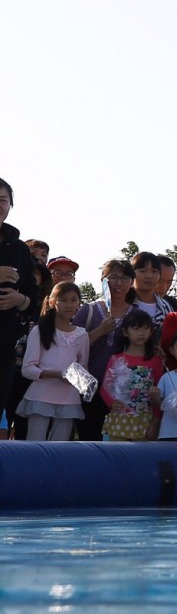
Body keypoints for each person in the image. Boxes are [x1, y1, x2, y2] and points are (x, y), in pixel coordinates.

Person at [73, 258, 137, 440]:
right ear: (103, 280)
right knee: (88, 436)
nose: (118, 283)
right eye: (113, 277)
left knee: (118, 439)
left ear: (132, 282)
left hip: (121, 387)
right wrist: (99, 331)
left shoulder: (136, 313)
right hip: (86, 384)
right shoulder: (88, 310)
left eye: (125, 278)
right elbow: (71, 346)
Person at [18, 282, 88, 441]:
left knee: (60, 447)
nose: (69, 305)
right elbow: (27, 369)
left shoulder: (82, 335)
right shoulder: (39, 330)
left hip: (69, 399)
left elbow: (83, 369)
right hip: (40, 397)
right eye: (63, 300)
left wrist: (78, 380)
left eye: (73, 300)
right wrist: (56, 375)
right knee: (35, 445)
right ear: (52, 302)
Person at [0, 178, 43, 424]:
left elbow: (35, 301)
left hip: (3, 348)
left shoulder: (18, 249)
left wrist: (21, 300)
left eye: (3, 200)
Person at [100, 308, 163, 441]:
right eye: (135, 328)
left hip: (145, 420)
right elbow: (104, 388)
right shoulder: (116, 359)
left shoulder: (155, 361)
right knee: (118, 457)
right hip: (120, 419)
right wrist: (111, 403)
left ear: (151, 331)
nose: (141, 333)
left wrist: (156, 421)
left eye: (146, 328)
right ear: (125, 332)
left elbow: (160, 392)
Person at [129, 252, 173, 333]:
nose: (149, 276)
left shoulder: (166, 307)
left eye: (154, 271)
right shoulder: (123, 303)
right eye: (142, 271)